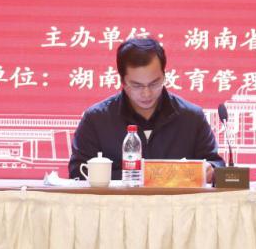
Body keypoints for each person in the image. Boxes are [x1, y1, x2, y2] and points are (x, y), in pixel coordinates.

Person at [69, 38, 224, 180]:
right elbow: (78, 172)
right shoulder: (97, 119)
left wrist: (211, 170)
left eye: (154, 83)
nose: (146, 93)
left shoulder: (191, 117)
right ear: (123, 81)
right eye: (137, 85)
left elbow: (216, 165)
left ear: (164, 75)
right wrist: (142, 176)